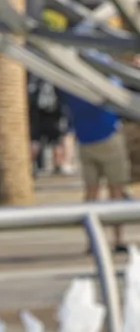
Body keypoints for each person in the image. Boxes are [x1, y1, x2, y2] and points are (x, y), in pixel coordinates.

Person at [60, 88, 130, 247]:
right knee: (116, 190)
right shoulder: (101, 83)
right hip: (108, 137)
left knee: (91, 191)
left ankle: (92, 241)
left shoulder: (70, 88)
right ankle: (118, 239)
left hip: (84, 140)